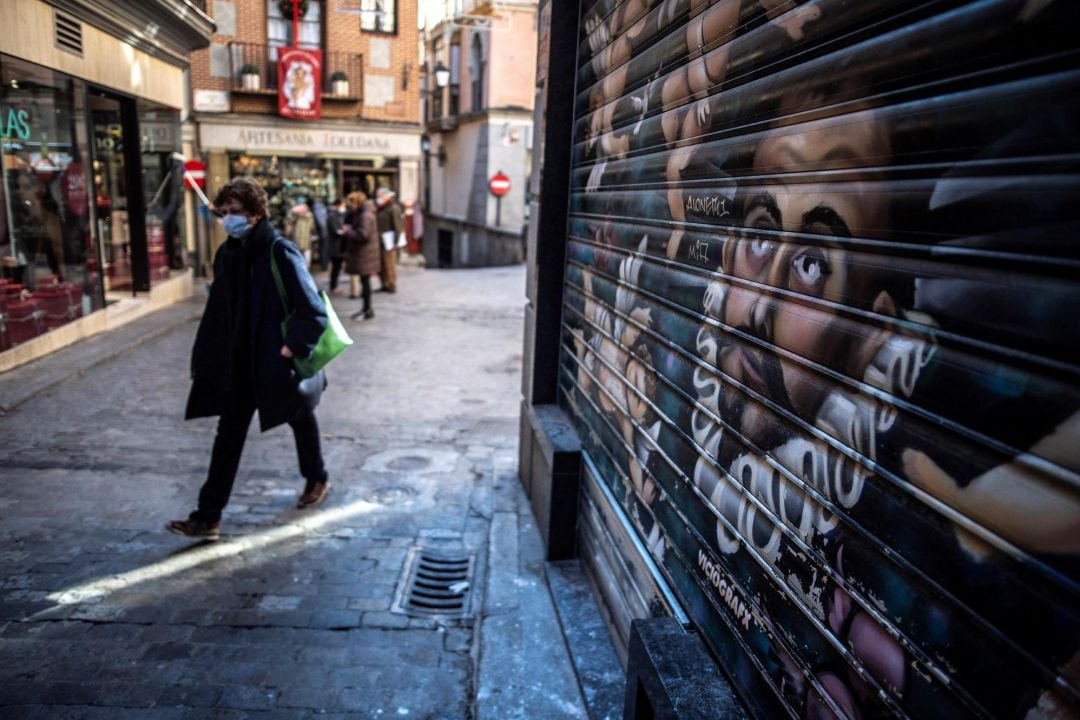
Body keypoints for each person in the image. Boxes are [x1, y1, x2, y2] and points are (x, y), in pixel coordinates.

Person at [167, 177, 330, 539]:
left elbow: (312, 310)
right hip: (239, 364)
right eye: (223, 213)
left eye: (236, 213)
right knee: (227, 437)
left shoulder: (279, 251)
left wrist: (290, 349)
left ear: (257, 215)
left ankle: (317, 476)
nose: (228, 219)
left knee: (300, 417)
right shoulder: (227, 253)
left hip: (274, 362)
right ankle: (207, 517)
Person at [342, 191, 378, 320]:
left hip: (364, 254)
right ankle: (366, 308)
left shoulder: (365, 215)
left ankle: (367, 309)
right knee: (364, 281)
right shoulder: (364, 214)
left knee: (365, 282)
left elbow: (363, 235)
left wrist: (348, 231)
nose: (349, 206)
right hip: (364, 253)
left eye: (351, 203)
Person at [374, 187, 403, 293]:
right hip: (379, 239)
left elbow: (398, 226)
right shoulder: (379, 207)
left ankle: (391, 284)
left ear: (385, 196)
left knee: (389, 264)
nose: (378, 198)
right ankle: (384, 283)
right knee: (381, 264)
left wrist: (396, 241)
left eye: (379, 196)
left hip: (389, 240)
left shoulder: (393, 208)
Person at [325, 197, 347, 294]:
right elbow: (335, 230)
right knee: (336, 267)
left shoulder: (335, 215)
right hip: (335, 246)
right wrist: (343, 232)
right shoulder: (332, 215)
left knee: (337, 268)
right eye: (343, 205)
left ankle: (334, 286)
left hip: (337, 245)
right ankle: (333, 287)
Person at [285, 197, 315, 266]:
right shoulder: (309, 215)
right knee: (305, 257)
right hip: (304, 240)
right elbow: (312, 227)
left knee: (299, 257)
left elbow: (290, 222)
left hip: (298, 240)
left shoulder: (296, 216)